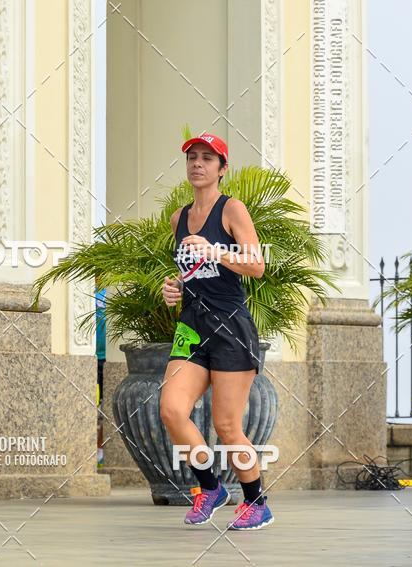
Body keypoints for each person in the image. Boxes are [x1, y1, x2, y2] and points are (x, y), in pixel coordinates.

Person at [159, 133, 274, 530]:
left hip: (230, 328)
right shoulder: (178, 218)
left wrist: (216, 251)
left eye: (208, 158)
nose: (198, 164)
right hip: (192, 325)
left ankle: (257, 502)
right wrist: (175, 286)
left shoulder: (232, 209)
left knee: (227, 426)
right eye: (192, 157)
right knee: (172, 410)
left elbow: (256, 265)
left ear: (222, 168)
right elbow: (194, 271)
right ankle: (210, 487)